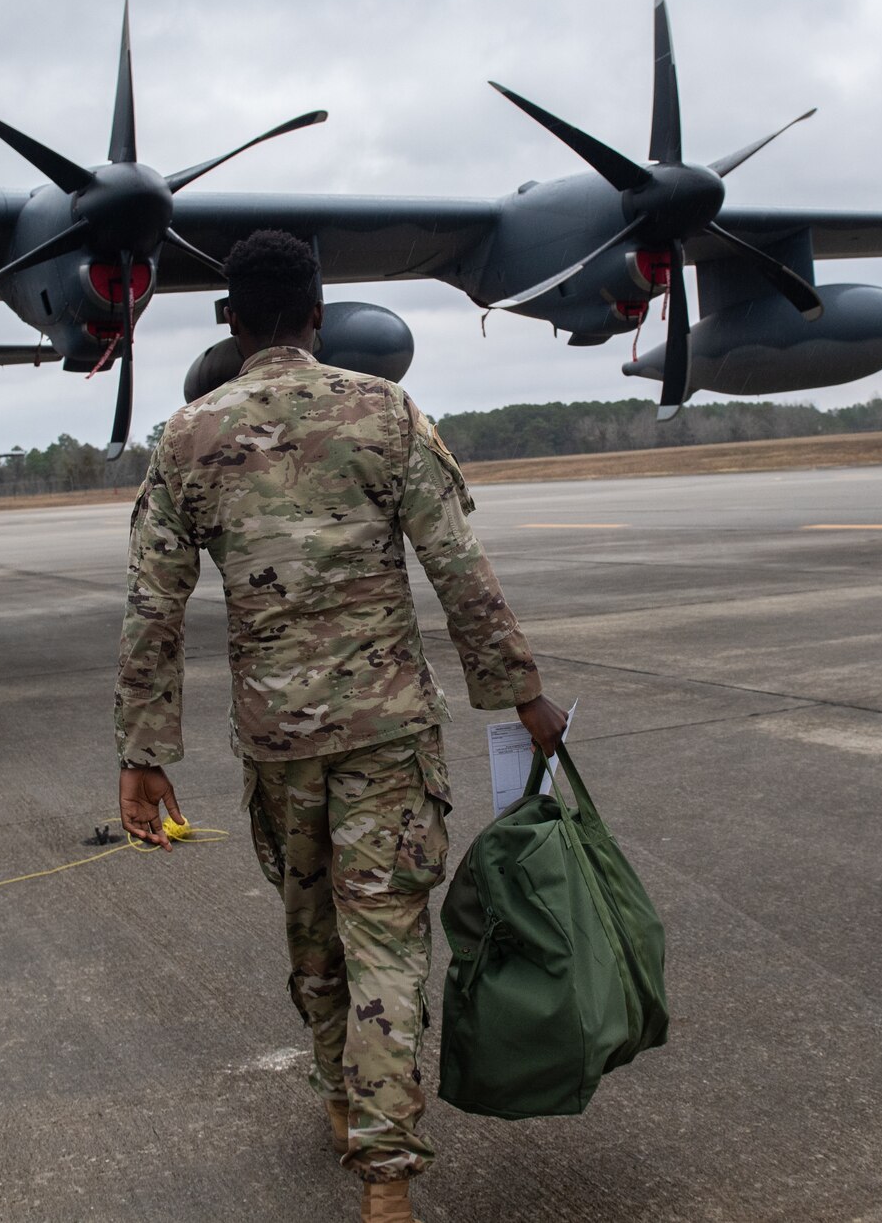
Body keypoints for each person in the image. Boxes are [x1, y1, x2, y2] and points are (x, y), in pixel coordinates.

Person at [115, 229, 567, 1223]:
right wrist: (520, 695)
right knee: (388, 945)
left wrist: (143, 754)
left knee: (313, 939)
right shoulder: (383, 413)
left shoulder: (189, 435)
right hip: (387, 736)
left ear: (229, 323)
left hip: (279, 744)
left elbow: (152, 603)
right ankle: (386, 1176)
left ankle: (339, 1102)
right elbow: (457, 569)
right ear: (318, 314)